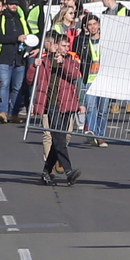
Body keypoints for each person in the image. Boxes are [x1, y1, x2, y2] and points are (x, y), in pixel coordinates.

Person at [27, 32, 82, 186]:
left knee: (60, 139)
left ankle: (46, 172)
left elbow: (76, 75)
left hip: (67, 104)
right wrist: (33, 66)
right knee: (58, 138)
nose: (66, 48)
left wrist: (63, 63)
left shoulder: (71, 60)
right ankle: (69, 171)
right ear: (55, 46)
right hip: (51, 104)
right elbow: (30, 80)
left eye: (67, 45)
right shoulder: (44, 61)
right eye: (64, 45)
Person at [73, 14, 110, 147]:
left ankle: (101, 135)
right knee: (91, 107)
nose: (93, 27)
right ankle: (92, 132)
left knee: (103, 109)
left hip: (105, 78)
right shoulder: (82, 40)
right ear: (86, 27)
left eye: (95, 24)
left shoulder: (107, 40)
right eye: (90, 25)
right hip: (89, 78)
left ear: (99, 25)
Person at [0, 0, 30, 123]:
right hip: (4, 57)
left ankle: (14, 113)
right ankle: (2, 112)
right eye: (11, 4)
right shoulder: (0, 19)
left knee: (17, 87)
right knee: (4, 85)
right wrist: (16, 38)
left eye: (15, 4)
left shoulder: (21, 19)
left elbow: (28, 34)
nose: (14, 6)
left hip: (19, 58)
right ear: (6, 5)